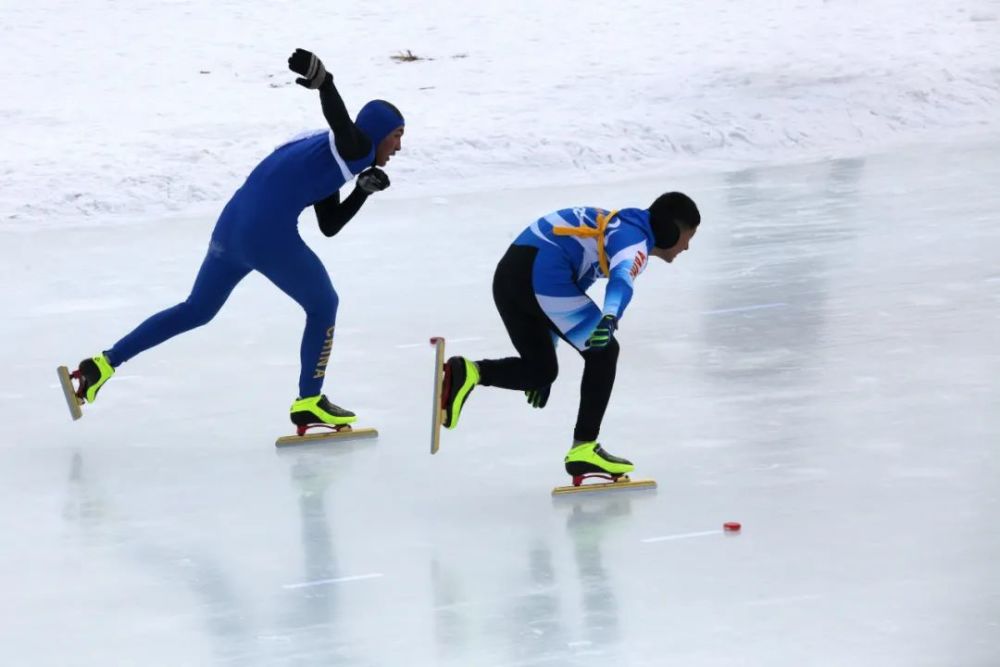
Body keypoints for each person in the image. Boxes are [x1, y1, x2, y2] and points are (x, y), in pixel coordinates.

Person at [68, 49, 405, 428]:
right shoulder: (355, 147)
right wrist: (326, 83)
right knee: (324, 303)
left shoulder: (325, 151)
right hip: (267, 234)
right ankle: (310, 399)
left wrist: (361, 192)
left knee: (196, 309)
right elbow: (344, 124)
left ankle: (101, 365)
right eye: (396, 136)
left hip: (231, 227)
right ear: (377, 133)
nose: (398, 147)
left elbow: (329, 224)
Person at [440, 193, 700, 478]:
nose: (687, 247)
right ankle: (584, 448)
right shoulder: (634, 240)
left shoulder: (612, 226)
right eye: (688, 236)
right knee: (604, 352)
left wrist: (549, 345)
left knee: (540, 371)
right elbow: (622, 279)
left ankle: (470, 372)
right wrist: (610, 317)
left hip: (511, 275)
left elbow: (567, 292)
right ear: (670, 229)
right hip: (540, 274)